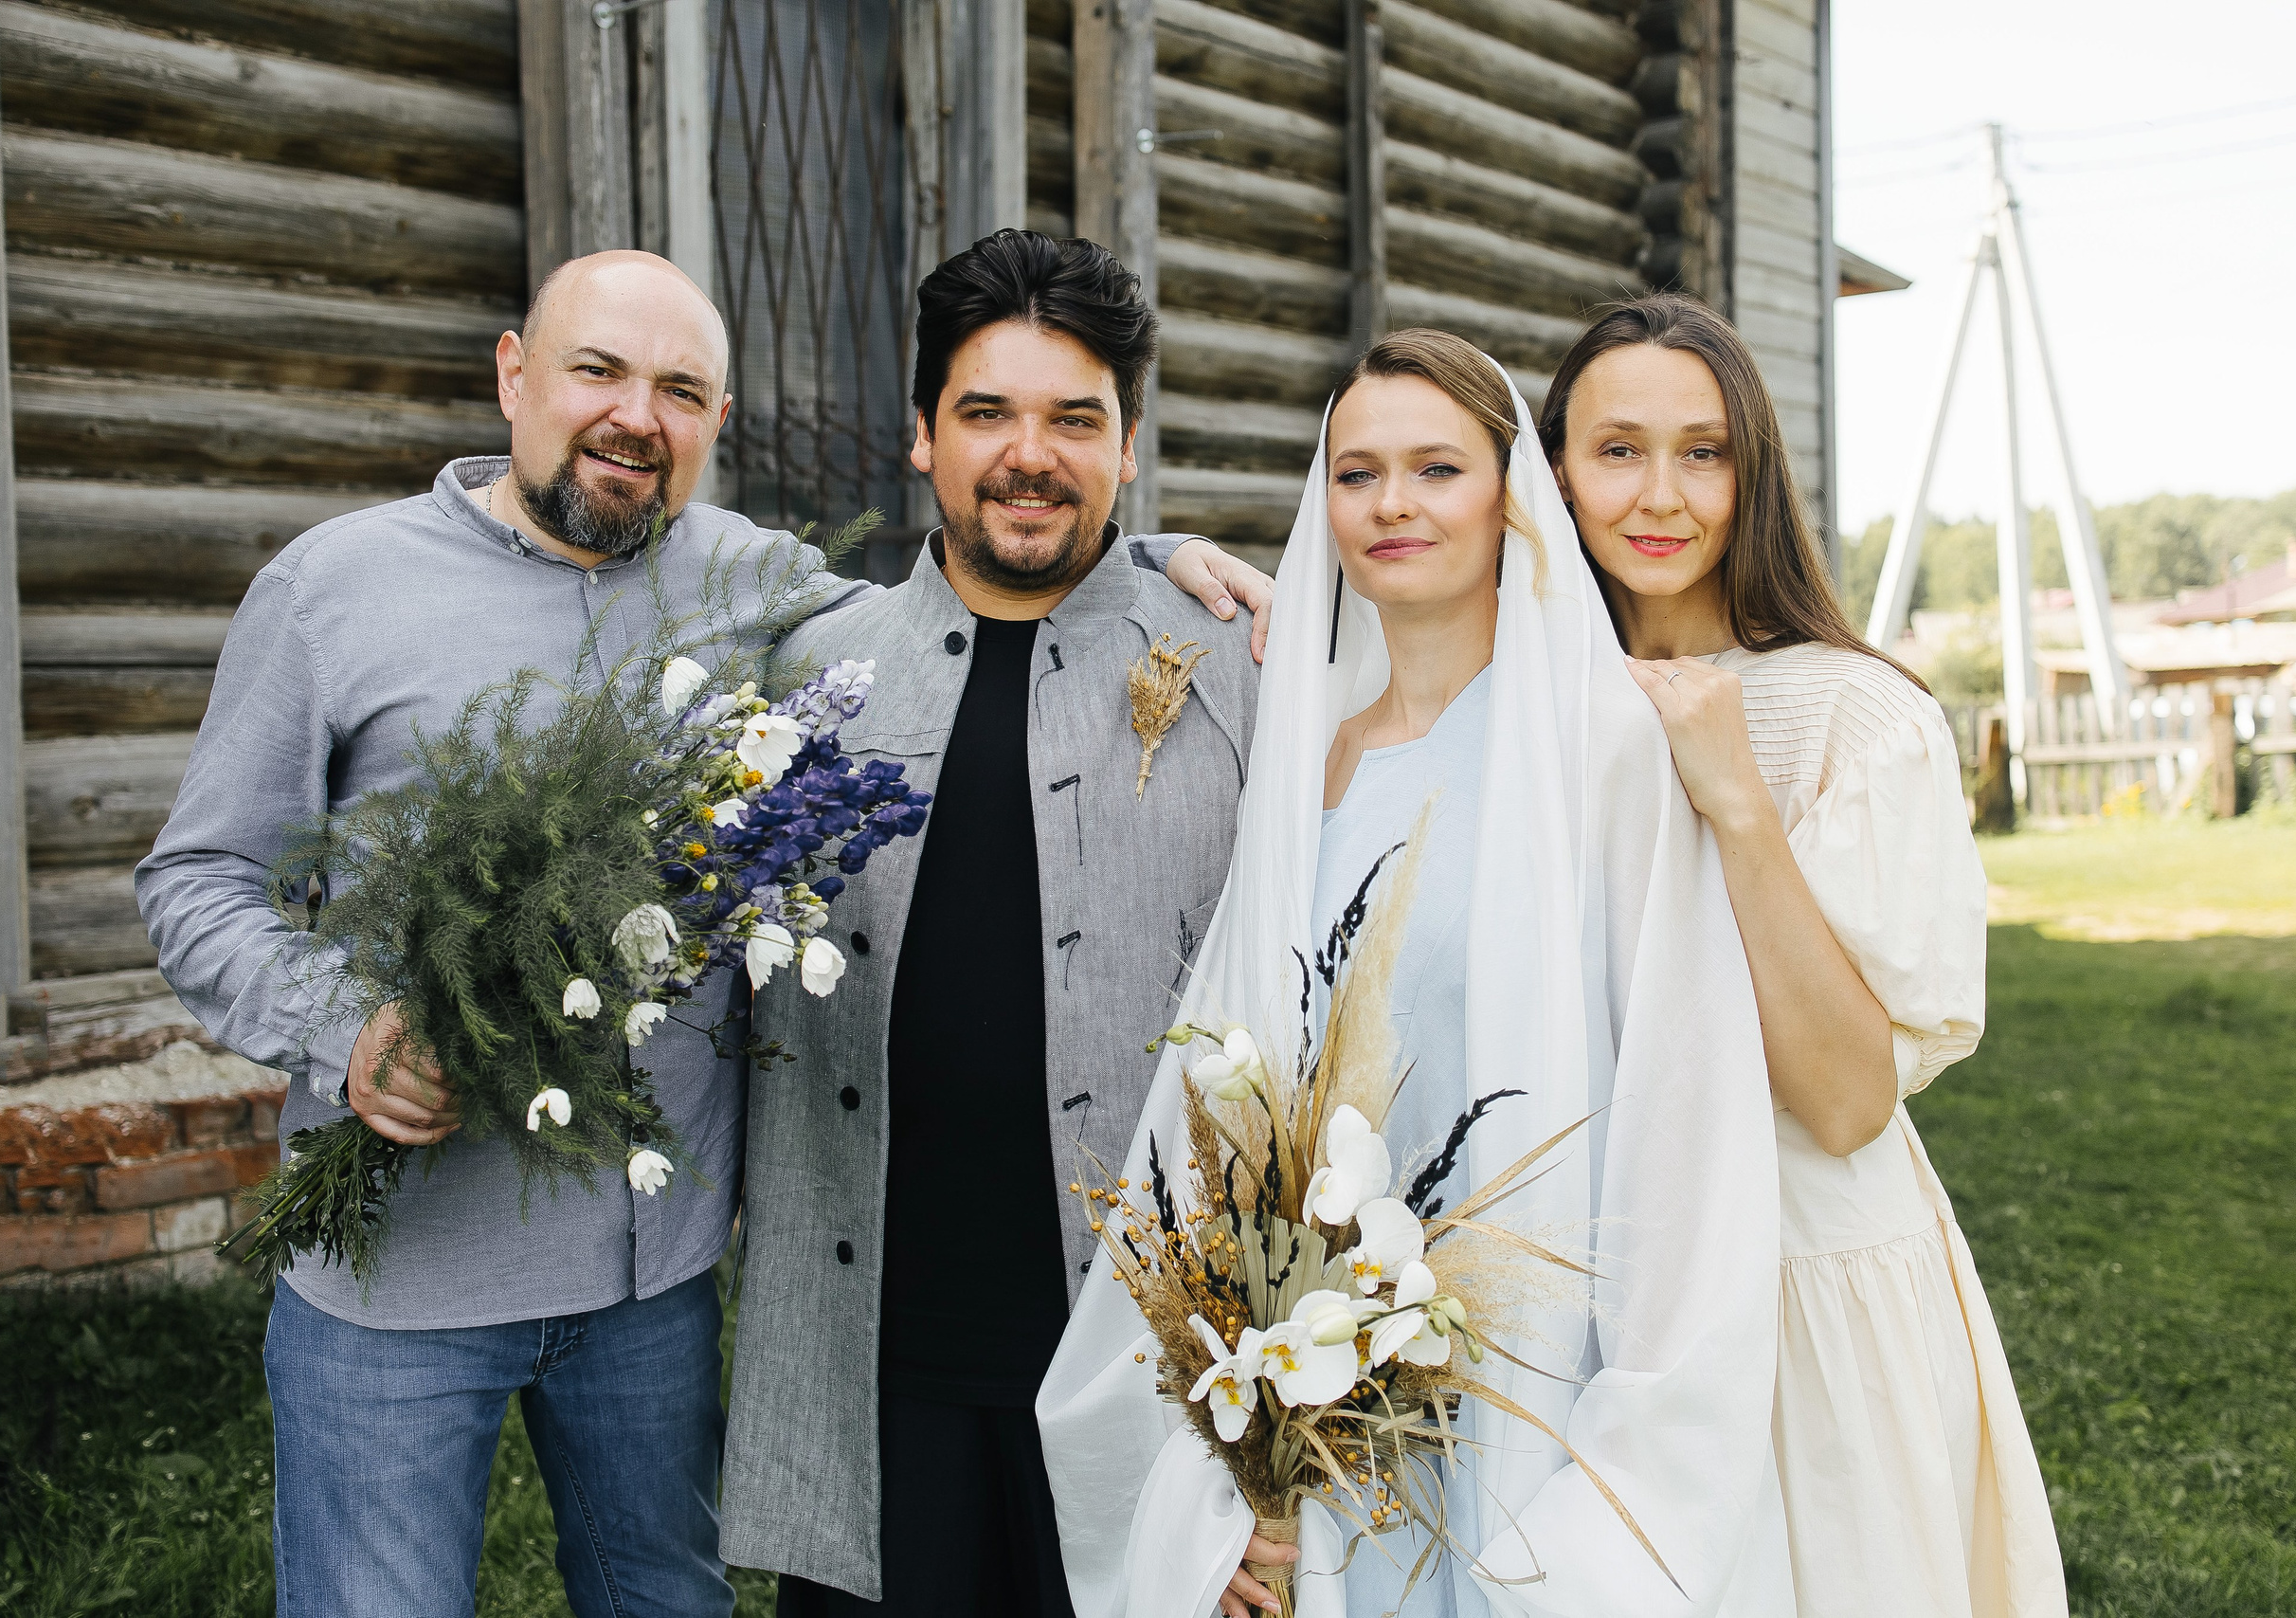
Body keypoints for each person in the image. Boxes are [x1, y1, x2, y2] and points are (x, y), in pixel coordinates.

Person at [135, 246, 1271, 1618]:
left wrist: (1149, 562)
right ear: (512, 375)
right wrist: (349, 1031)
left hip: (649, 1287)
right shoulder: (333, 589)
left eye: (680, 390)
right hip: (399, 1279)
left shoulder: (751, 585)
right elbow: (199, 879)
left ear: (716, 422)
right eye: (597, 372)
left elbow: (994, 579)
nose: (636, 416)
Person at [1037, 329, 1795, 1617]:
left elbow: (1686, 1106)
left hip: (1539, 1386)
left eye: (1438, 469)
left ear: (1514, 499)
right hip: (1334, 1391)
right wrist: (1251, 1446)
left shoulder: (1608, 747)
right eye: (1357, 473)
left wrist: (1630, 1467)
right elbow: (1246, 1092)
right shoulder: (1315, 762)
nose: (1392, 504)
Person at [717, 230, 1265, 1615]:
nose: (1030, 456)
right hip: (875, 1373)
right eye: (986, 414)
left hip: (1153, 1371)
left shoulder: (1241, 672)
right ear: (922, 436)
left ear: (1128, 445)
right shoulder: (809, 675)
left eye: (1074, 419)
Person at [1537, 292, 2069, 1618]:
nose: (1662, 494)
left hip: (1799, 1287)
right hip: (1588, 1282)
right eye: (1618, 450)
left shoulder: (1855, 715)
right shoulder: (1528, 713)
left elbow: (1843, 1100)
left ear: (1753, 473)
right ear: (1556, 473)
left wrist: (1737, 804)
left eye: (1704, 452)